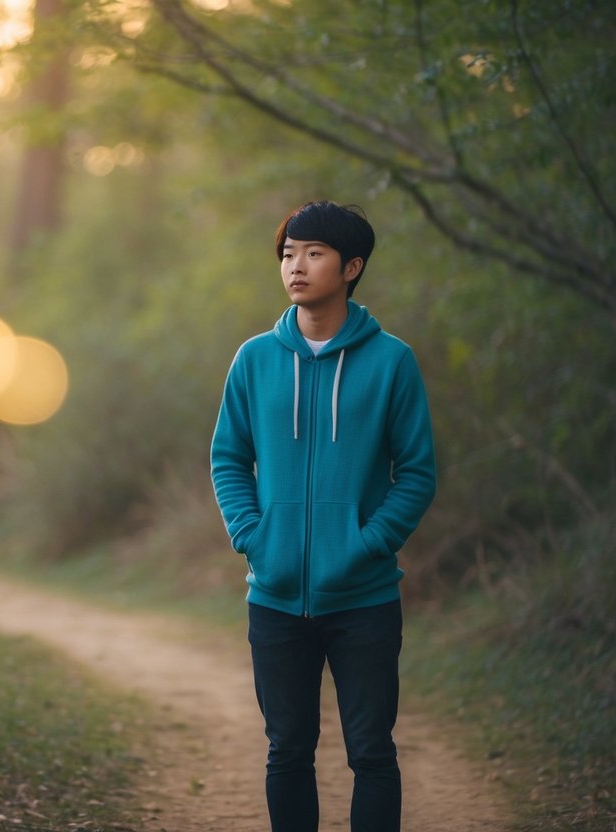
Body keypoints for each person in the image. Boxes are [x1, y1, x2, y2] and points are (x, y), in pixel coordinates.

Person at [209, 201, 437, 832]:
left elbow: (416, 472)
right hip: (276, 595)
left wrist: (370, 543)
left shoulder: (392, 361)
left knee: (372, 753)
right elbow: (228, 457)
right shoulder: (254, 359)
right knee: (287, 751)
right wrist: (254, 537)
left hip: (364, 597)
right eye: (287, 253)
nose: (296, 266)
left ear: (352, 266)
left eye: (313, 253)